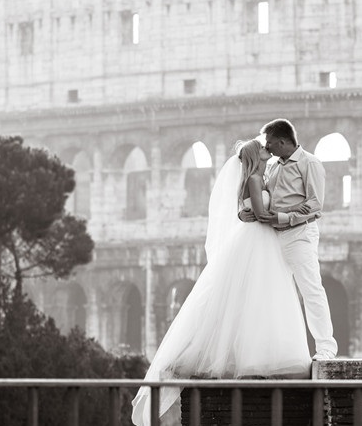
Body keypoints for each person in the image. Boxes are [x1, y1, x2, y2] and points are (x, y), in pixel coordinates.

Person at [131, 139, 310, 426]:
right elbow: (259, 214)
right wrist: (286, 217)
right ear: (255, 154)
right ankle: (250, 355)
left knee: (262, 295)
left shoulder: (261, 176)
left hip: (260, 240)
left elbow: (245, 210)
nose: (268, 149)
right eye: (263, 148)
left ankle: (258, 350)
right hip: (257, 239)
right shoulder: (253, 177)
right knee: (253, 293)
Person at [240, 118, 338, 359]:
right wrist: (245, 212)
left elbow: (315, 205)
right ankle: (276, 350)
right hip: (271, 237)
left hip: (299, 234)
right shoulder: (272, 166)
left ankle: (326, 348)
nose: (267, 148)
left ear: (283, 141)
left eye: (270, 143)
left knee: (311, 289)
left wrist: (282, 218)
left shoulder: (310, 163)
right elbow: (261, 197)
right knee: (275, 293)